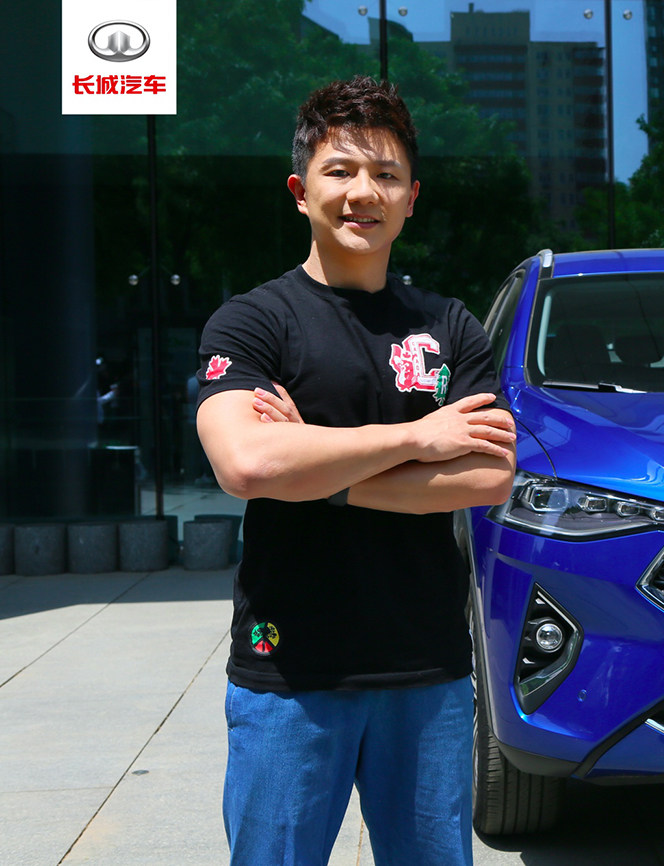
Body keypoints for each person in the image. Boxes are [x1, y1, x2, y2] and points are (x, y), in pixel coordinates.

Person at [195, 76, 516, 866]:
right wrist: (419, 437)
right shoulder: (254, 321)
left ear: (411, 199)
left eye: (386, 175)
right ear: (301, 191)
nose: (362, 192)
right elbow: (249, 461)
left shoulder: (450, 326)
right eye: (340, 171)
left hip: (428, 671)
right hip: (289, 668)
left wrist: (319, 470)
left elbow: (486, 478)